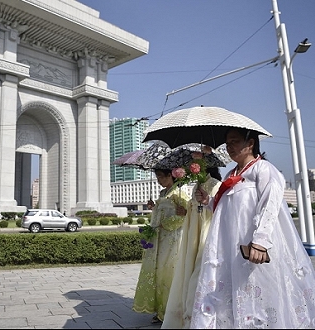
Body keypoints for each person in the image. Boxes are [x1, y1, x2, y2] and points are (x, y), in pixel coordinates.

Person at [190, 127, 315, 328]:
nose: (230, 147)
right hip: (232, 248)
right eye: (227, 143)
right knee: (234, 295)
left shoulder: (263, 169)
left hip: (253, 248)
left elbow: (270, 206)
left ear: (250, 144)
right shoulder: (231, 174)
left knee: (261, 295)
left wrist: (260, 243)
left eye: (235, 142)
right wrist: (209, 201)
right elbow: (229, 209)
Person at [161, 167, 222, 329]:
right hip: (193, 237)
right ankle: (189, 318)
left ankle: (199, 318)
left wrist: (206, 202)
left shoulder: (216, 185)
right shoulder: (197, 185)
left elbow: (221, 211)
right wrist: (187, 210)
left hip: (207, 236)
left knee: (200, 275)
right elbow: (193, 209)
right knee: (190, 274)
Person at [132, 168, 190, 324]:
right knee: (158, 272)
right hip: (159, 238)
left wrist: (168, 222)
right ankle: (160, 311)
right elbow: (162, 213)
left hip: (172, 238)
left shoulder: (179, 192)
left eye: (160, 177)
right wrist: (154, 207)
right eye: (157, 177)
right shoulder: (163, 193)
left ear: (170, 175)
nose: (158, 180)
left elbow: (185, 215)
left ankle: (171, 312)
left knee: (168, 271)